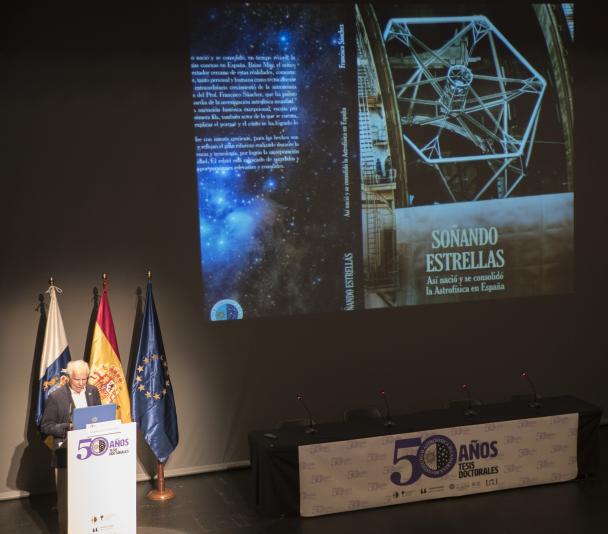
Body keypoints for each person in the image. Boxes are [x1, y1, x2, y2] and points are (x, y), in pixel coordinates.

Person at [40, 359, 101, 533]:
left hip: (93, 453)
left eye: (85, 379)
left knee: (91, 497)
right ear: (68, 377)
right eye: (78, 380)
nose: (82, 384)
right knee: (68, 501)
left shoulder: (92, 391)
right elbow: (45, 426)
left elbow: (99, 416)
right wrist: (67, 427)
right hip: (65, 454)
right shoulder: (56, 396)